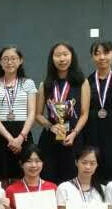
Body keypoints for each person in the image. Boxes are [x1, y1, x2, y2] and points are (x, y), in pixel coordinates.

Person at [35, 43, 93, 183]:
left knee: (73, 179)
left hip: (74, 138)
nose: (62, 59)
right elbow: (38, 115)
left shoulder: (82, 82)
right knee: (49, 178)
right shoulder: (45, 84)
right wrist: (50, 126)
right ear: (52, 58)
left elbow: (84, 114)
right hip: (50, 139)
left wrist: (74, 133)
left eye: (65, 54)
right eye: (57, 55)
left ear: (72, 57)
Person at [80, 41, 112, 184]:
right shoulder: (86, 82)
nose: (102, 57)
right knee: (92, 173)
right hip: (91, 134)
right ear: (92, 57)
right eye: (97, 54)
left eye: (106, 53)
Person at [0, 46, 36, 183]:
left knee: (23, 175)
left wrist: (21, 137)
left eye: (13, 58)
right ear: (0, 61)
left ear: (20, 60)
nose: (9, 62)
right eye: (5, 59)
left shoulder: (28, 83)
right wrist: (10, 139)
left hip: (22, 134)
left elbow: (32, 113)